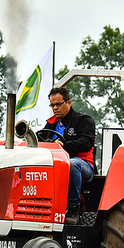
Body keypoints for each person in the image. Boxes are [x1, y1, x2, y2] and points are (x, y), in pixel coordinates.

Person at [41, 86, 95, 224]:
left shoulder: (83, 120)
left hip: (82, 165)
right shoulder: (50, 124)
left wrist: (64, 145)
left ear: (68, 103)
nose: (55, 108)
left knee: (71, 164)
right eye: (52, 105)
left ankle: (73, 208)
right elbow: (39, 140)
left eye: (59, 104)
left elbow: (87, 142)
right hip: (55, 166)